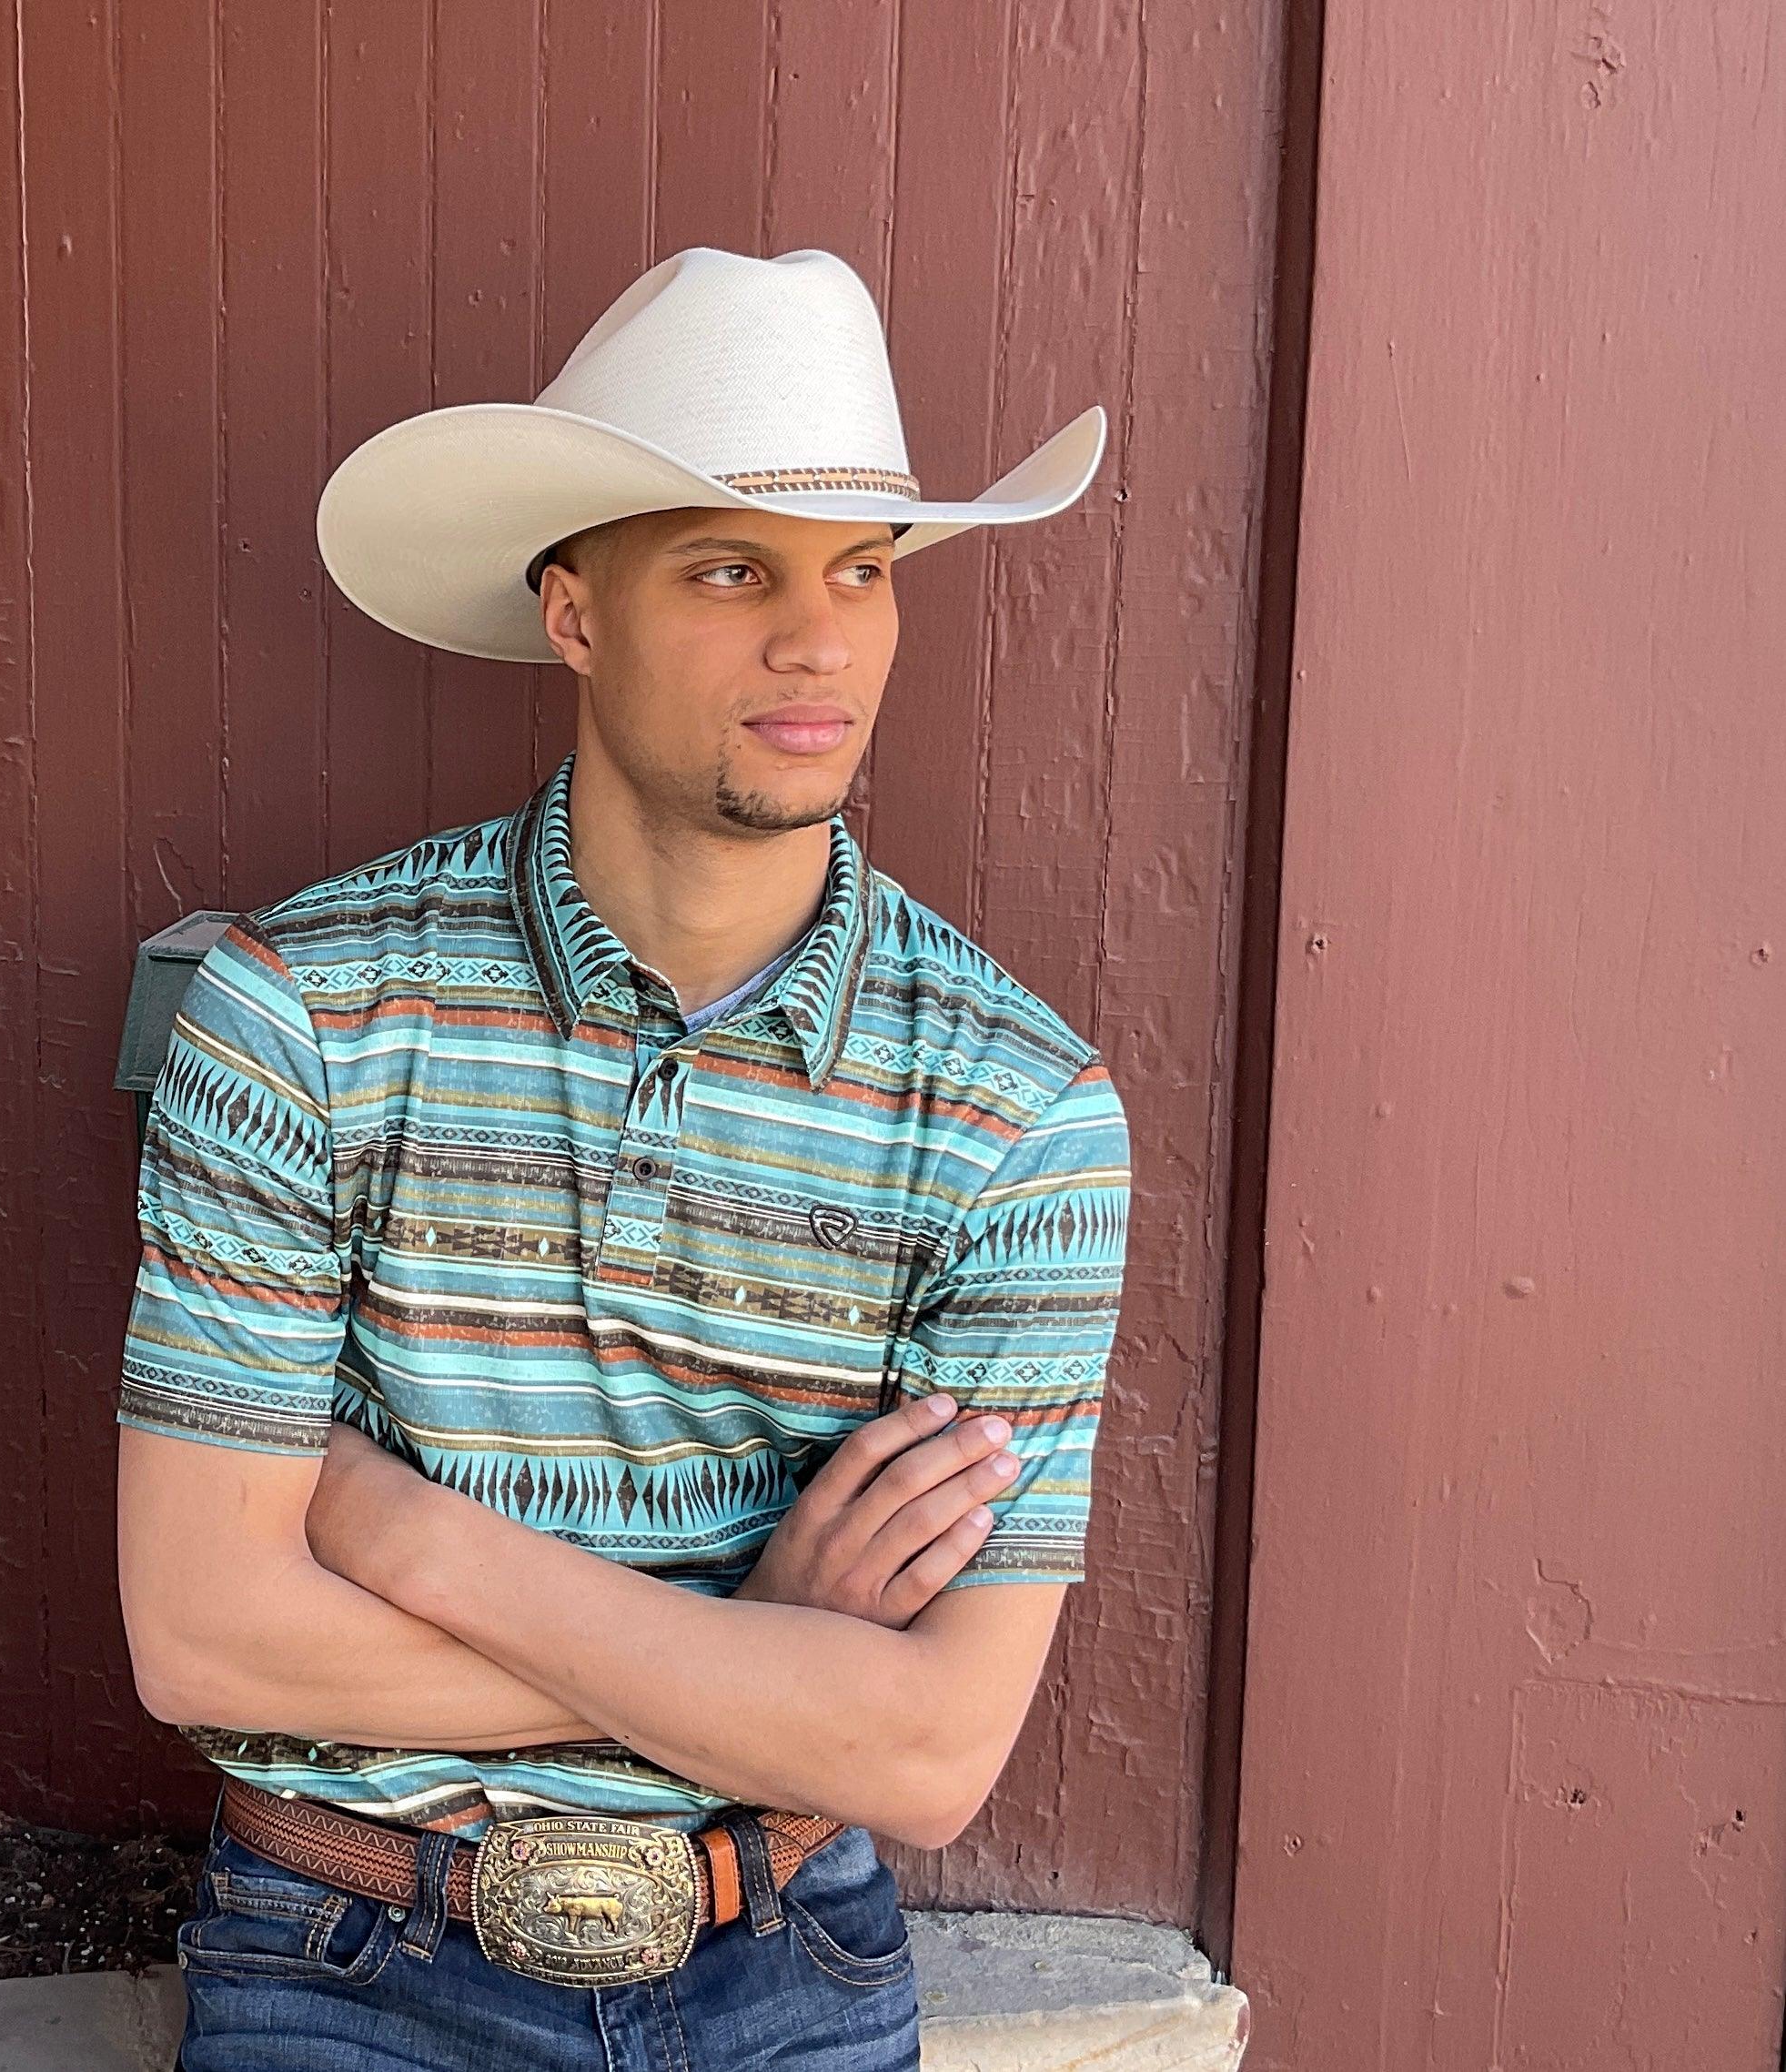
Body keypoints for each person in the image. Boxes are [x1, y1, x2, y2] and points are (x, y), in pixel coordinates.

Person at [116, 246, 1131, 2071]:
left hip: (786, 1958)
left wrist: (404, 1531)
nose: (818, 639)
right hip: (349, 1952)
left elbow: (928, 1753)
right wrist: (761, 1656)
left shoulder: (1017, 1113)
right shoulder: (306, 1014)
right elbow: (205, 1640)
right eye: (732, 568)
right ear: (575, 613)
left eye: (863, 568)